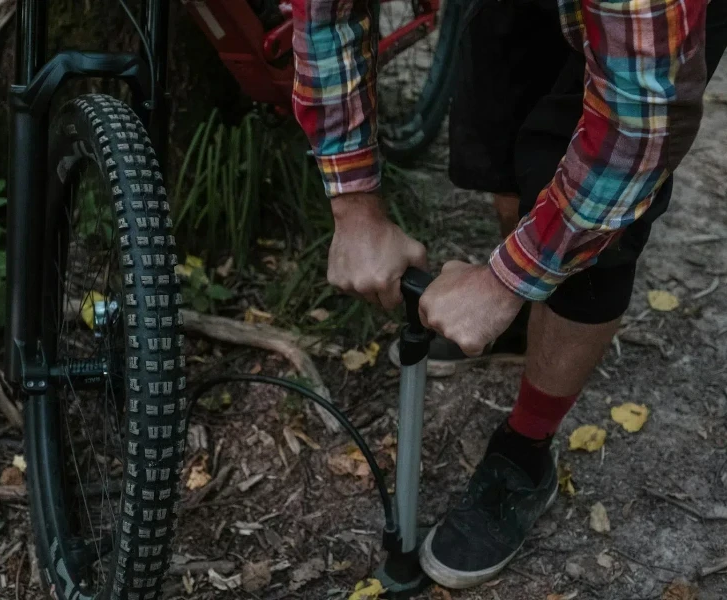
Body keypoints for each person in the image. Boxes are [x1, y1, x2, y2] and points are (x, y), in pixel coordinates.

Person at [292, 0, 727, 589]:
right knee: (503, 124)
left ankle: (526, 447)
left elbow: (639, 129)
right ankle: (521, 324)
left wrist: (507, 279)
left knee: (598, 230)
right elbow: (326, 12)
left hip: (642, 42)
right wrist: (354, 205)